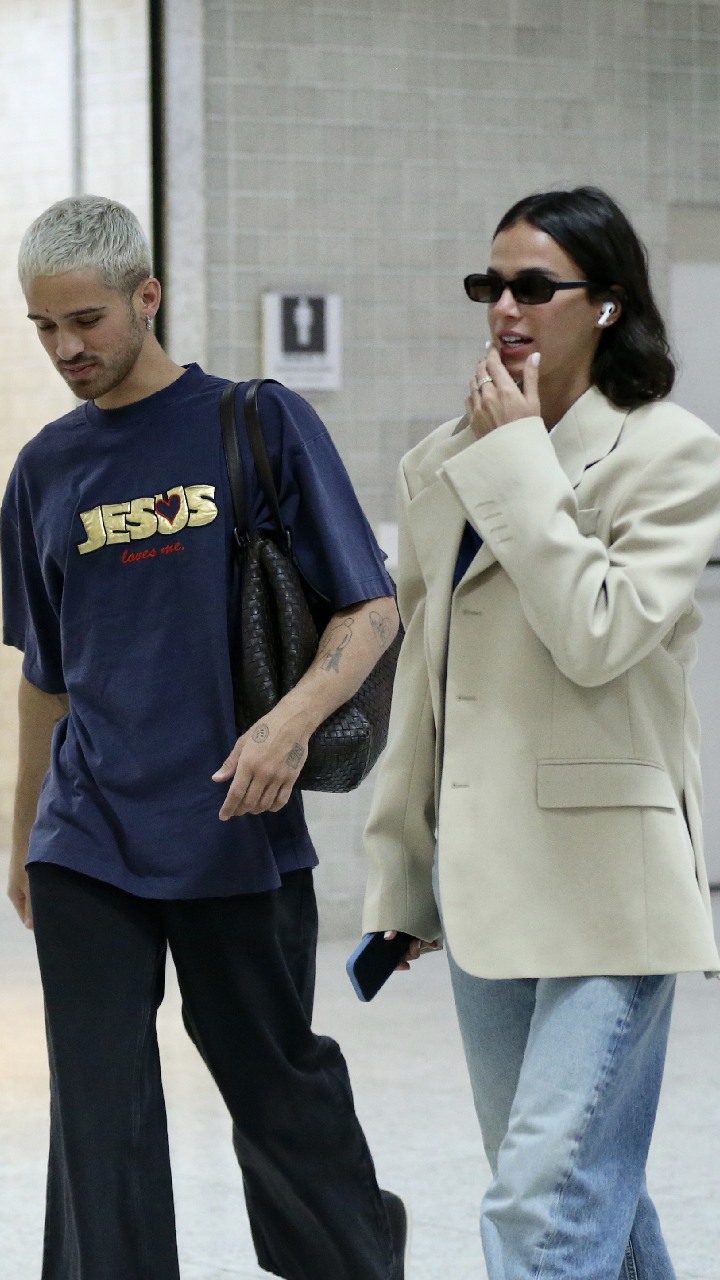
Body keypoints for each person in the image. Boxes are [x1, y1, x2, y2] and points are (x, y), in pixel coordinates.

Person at [2, 194, 410, 1280]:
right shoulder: (43, 470)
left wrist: (286, 724)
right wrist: (23, 835)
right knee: (98, 1105)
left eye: (85, 319)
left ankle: (355, 1254)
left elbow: (372, 607)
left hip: (240, 819)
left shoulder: (256, 420)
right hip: (87, 833)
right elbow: (43, 676)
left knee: (272, 1076)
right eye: (43, 327)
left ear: (148, 296)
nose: (66, 348)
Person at [361, 185, 720, 1280]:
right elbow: (429, 683)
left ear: (606, 305)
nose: (504, 308)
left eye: (533, 285)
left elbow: (598, 631)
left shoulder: (672, 453)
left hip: (612, 887)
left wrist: (518, 463)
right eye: (490, 285)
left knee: (541, 1207)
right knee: (581, 1196)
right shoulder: (442, 462)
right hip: (488, 892)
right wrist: (402, 873)